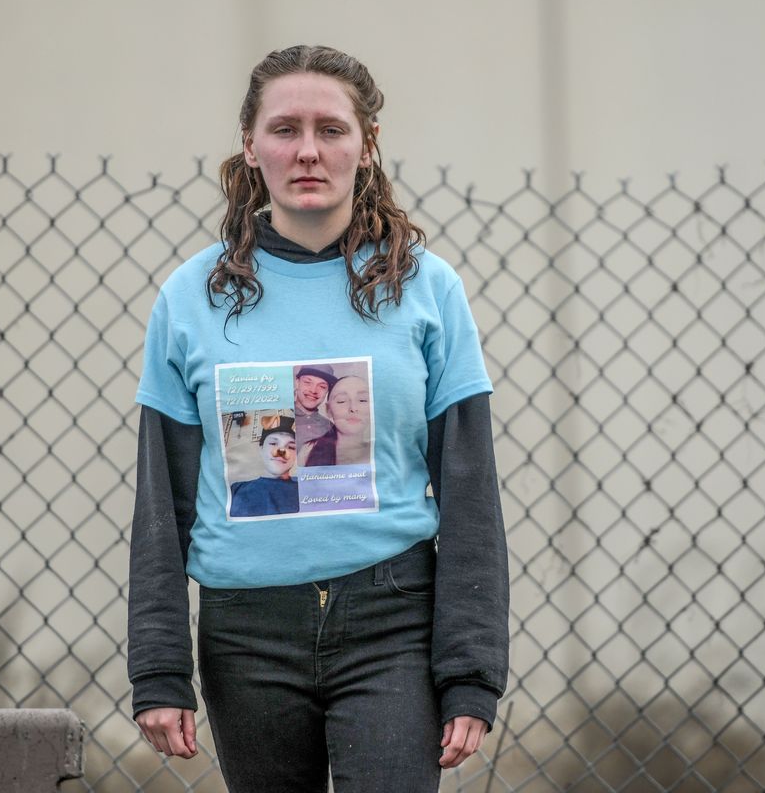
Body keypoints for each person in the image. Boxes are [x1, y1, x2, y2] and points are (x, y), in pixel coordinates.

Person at [128, 45, 508, 792]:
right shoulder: (188, 298)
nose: (308, 151)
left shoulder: (427, 290)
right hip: (245, 634)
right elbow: (160, 503)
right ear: (250, 144)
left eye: (331, 130)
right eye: (285, 129)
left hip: (393, 624)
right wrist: (160, 668)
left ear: (366, 146)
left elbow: (470, 491)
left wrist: (471, 670)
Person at [229, 415, 299, 517]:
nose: (282, 450)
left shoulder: (307, 487)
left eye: (291, 447)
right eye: (273, 443)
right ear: (261, 448)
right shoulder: (236, 489)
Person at [301, 374, 371, 467]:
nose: (353, 408)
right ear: (328, 410)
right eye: (341, 401)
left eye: (362, 400)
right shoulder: (308, 451)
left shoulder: (382, 451)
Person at [293, 364, 337, 444]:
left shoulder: (331, 428)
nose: (313, 390)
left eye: (322, 386)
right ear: (297, 382)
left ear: (327, 391)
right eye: (307, 382)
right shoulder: (282, 418)